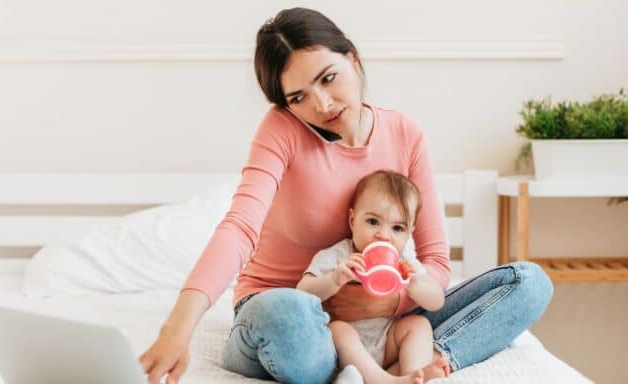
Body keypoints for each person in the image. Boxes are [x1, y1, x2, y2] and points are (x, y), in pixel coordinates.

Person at [139, 7, 553, 384]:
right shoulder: (281, 130)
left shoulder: (404, 133)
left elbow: (436, 263)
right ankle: (353, 366)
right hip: (299, 316)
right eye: (298, 97)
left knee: (529, 283)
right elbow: (240, 227)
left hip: (389, 318)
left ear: (352, 59)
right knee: (284, 311)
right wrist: (177, 329)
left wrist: (386, 305)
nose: (321, 104)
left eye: (328, 78)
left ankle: (409, 369)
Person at [297, 170, 449, 384]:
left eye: (397, 228)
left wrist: (414, 283)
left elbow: (437, 301)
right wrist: (334, 279)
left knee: (419, 324)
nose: (384, 235)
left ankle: (412, 374)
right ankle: (384, 380)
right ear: (352, 220)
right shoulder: (340, 256)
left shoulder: (404, 262)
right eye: (373, 222)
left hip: (386, 342)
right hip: (343, 351)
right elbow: (302, 293)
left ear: (409, 233)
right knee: (338, 330)